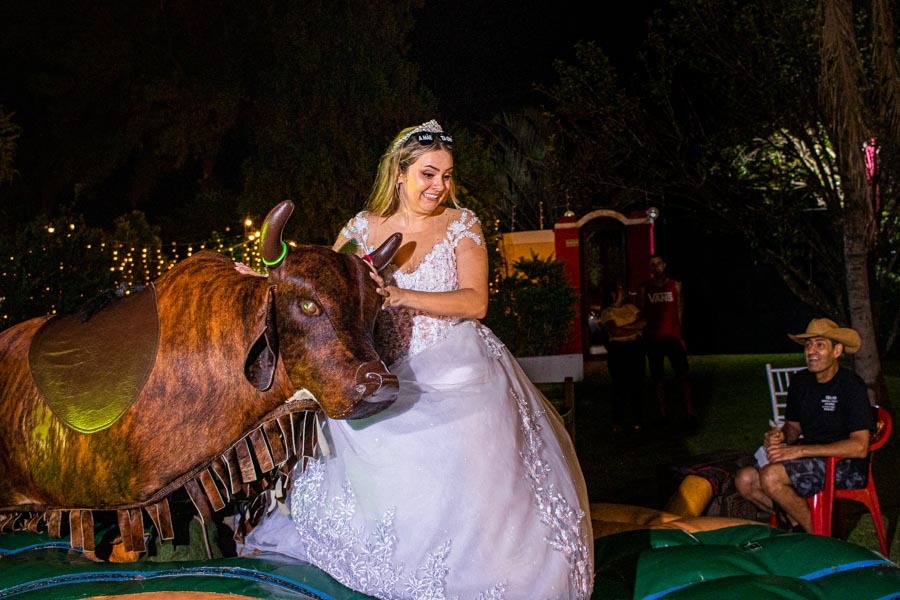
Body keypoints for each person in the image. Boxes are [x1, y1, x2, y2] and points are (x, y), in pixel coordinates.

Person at [243, 120, 594, 598]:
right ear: (400, 173)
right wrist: (265, 280)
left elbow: (475, 302)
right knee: (357, 428)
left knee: (467, 441)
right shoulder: (361, 227)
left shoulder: (461, 224)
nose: (439, 186)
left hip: (456, 363)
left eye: (446, 176)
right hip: (386, 366)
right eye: (428, 174)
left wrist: (404, 295)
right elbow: (322, 282)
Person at [734, 318, 873, 533]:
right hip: (809, 458)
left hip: (845, 464)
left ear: (837, 350)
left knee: (771, 476)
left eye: (820, 344)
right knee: (745, 480)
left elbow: (859, 447)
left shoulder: (851, 386)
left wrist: (800, 451)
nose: (811, 351)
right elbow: (793, 428)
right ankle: (800, 525)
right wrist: (780, 436)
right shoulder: (800, 382)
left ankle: (822, 539)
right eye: (808, 345)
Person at [638, 254, 694, 426]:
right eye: (652, 265)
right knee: (658, 378)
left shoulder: (675, 285)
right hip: (653, 339)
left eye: (658, 264)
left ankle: (689, 413)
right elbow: (642, 311)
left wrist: (677, 331)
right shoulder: (645, 288)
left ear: (665, 265)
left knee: (683, 376)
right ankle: (664, 414)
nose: (656, 267)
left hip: (672, 338)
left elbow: (680, 309)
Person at [599, 280, 645, 434]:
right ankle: (618, 421)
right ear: (612, 294)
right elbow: (614, 331)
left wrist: (625, 328)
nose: (623, 291)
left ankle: (637, 419)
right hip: (618, 350)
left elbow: (644, 322)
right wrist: (634, 328)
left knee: (636, 384)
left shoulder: (631, 307)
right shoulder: (607, 312)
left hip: (635, 348)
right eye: (619, 289)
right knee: (619, 385)